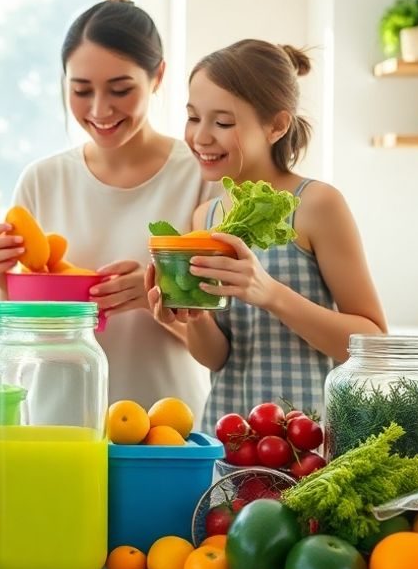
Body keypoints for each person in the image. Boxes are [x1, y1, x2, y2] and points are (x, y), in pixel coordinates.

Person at [0, 0, 217, 416]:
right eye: (81, 90)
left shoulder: (200, 177)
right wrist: (0, 279)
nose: (100, 109)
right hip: (56, 416)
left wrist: (156, 299)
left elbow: (225, 344)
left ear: (157, 76)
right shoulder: (42, 179)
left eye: (120, 89)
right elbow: (16, 335)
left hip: (168, 421)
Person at [148, 39, 386, 431]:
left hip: (305, 443)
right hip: (227, 442)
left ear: (277, 125)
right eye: (193, 117)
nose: (201, 137)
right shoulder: (206, 215)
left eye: (222, 122)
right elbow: (218, 357)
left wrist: (270, 293)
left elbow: (373, 344)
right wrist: (189, 316)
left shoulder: (316, 204)